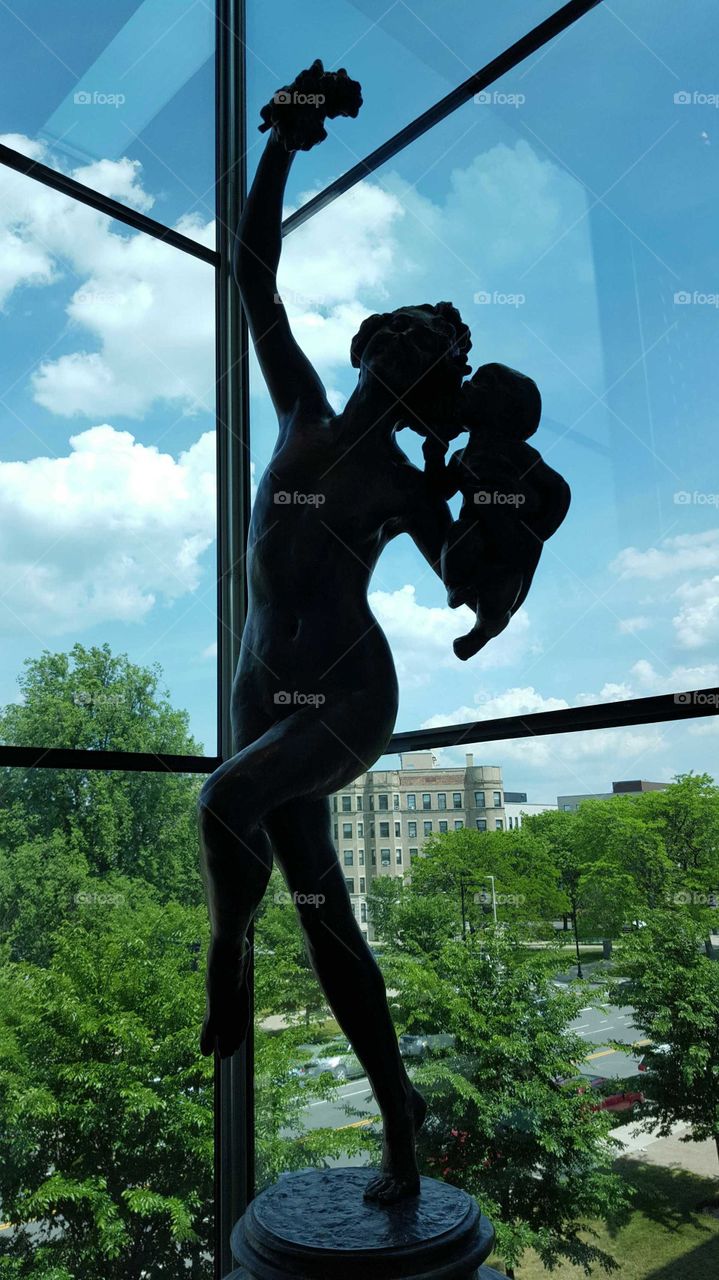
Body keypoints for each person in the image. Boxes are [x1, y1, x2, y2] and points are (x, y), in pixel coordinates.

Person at [198, 62, 471, 1203]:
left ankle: (225, 955)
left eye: (425, 359)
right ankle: (400, 1117)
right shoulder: (302, 410)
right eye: (398, 340)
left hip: (349, 696)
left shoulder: (409, 486)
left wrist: (492, 498)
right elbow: (254, 277)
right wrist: (284, 140)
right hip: (264, 685)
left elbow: (471, 585)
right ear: (366, 348)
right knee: (329, 920)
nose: (403, 360)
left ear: (426, 394)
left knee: (222, 801)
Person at [435, 362, 571, 659]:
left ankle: (482, 630)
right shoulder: (461, 457)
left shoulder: (520, 454)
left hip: (512, 541)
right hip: (474, 533)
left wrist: (538, 531)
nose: (466, 386)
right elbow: (440, 491)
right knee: (459, 538)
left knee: (501, 589)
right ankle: (456, 586)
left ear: (502, 410)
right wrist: (434, 452)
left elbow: (558, 490)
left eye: (479, 383)